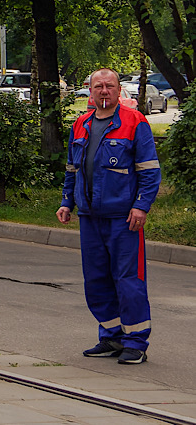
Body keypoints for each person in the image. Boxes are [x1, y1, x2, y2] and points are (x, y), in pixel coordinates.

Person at [57, 68, 161, 364]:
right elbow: (72, 170)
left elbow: (150, 171)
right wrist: (67, 202)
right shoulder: (81, 124)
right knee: (96, 279)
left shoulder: (134, 122)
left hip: (123, 219)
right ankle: (112, 335)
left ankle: (135, 342)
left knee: (128, 280)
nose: (104, 91)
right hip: (90, 217)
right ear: (90, 90)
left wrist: (141, 206)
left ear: (119, 91)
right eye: (98, 86)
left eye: (109, 86)